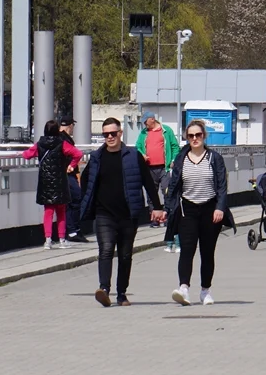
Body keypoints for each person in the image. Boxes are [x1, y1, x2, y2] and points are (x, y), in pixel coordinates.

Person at [78, 117, 166, 307]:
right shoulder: (96, 158)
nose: (110, 137)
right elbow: (86, 181)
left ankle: (121, 294)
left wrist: (157, 207)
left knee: (125, 255)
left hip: (128, 214)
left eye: (113, 133)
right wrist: (87, 201)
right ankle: (104, 289)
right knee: (106, 249)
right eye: (106, 134)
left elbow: (148, 182)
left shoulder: (133, 156)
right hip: (104, 214)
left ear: (120, 133)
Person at [166, 120, 236, 306]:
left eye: (198, 135)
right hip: (187, 209)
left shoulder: (214, 158)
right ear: (186, 138)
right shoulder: (181, 158)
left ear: (204, 136)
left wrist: (220, 207)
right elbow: (174, 185)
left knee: (207, 252)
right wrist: (169, 207)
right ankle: (184, 289)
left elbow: (222, 185)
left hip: (210, 210)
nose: (195, 139)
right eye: (191, 136)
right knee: (186, 251)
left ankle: (205, 291)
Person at [22, 120, 85, 249]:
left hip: (45, 181)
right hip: (60, 180)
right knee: (61, 211)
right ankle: (62, 239)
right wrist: (71, 166)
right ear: (57, 131)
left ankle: (48, 240)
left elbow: (26, 155)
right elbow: (78, 154)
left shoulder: (39, 144)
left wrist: (19, 153)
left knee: (48, 211)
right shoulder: (62, 144)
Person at [136, 113, 180, 229]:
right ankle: (154, 218)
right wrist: (142, 155)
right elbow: (138, 147)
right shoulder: (143, 133)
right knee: (151, 193)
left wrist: (174, 159)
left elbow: (175, 146)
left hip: (164, 167)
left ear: (152, 119)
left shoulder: (166, 131)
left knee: (167, 191)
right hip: (149, 168)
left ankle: (167, 216)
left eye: (146, 122)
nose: (145, 124)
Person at [56, 118, 90, 244]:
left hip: (61, 174)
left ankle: (70, 230)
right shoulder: (65, 139)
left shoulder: (57, 137)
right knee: (76, 198)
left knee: (67, 202)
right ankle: (73, 230)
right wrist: (73, 168)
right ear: (70, 126)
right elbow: (75, 154)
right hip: (67, 174)